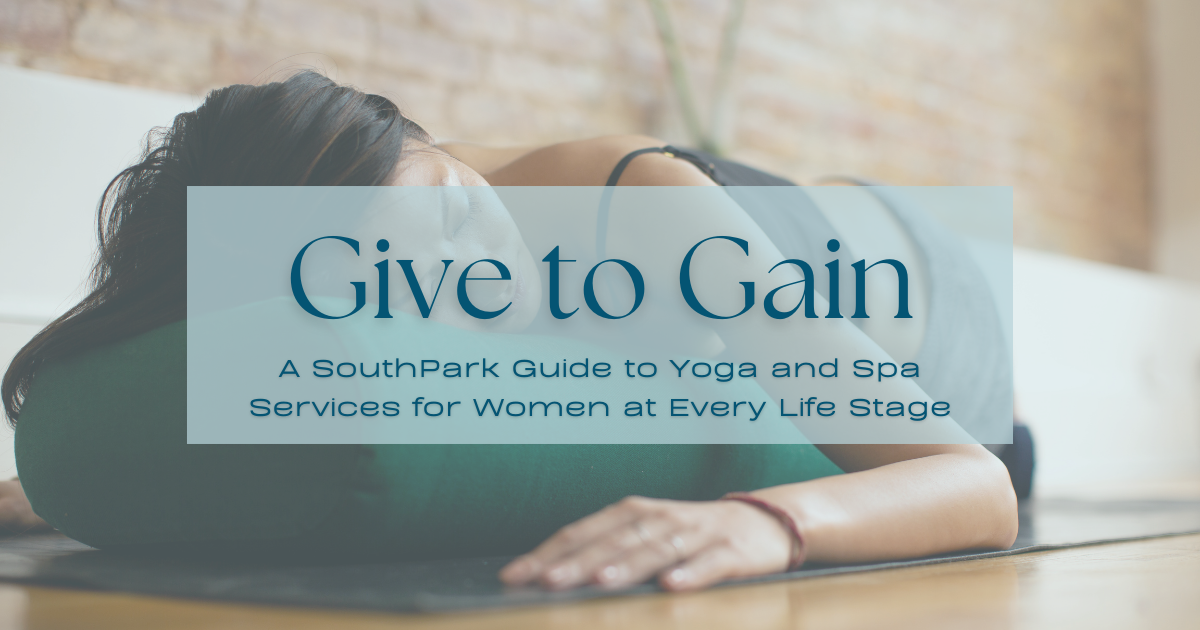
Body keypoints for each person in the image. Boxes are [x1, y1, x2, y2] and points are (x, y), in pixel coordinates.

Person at [1, 71, 1017, 592]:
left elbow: (979, 486)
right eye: (401, 292)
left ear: (425, 137)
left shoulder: (643, 206)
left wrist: (770, 524)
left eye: (446, 216)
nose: (474, 286)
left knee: (1022, 442)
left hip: (922, 290)